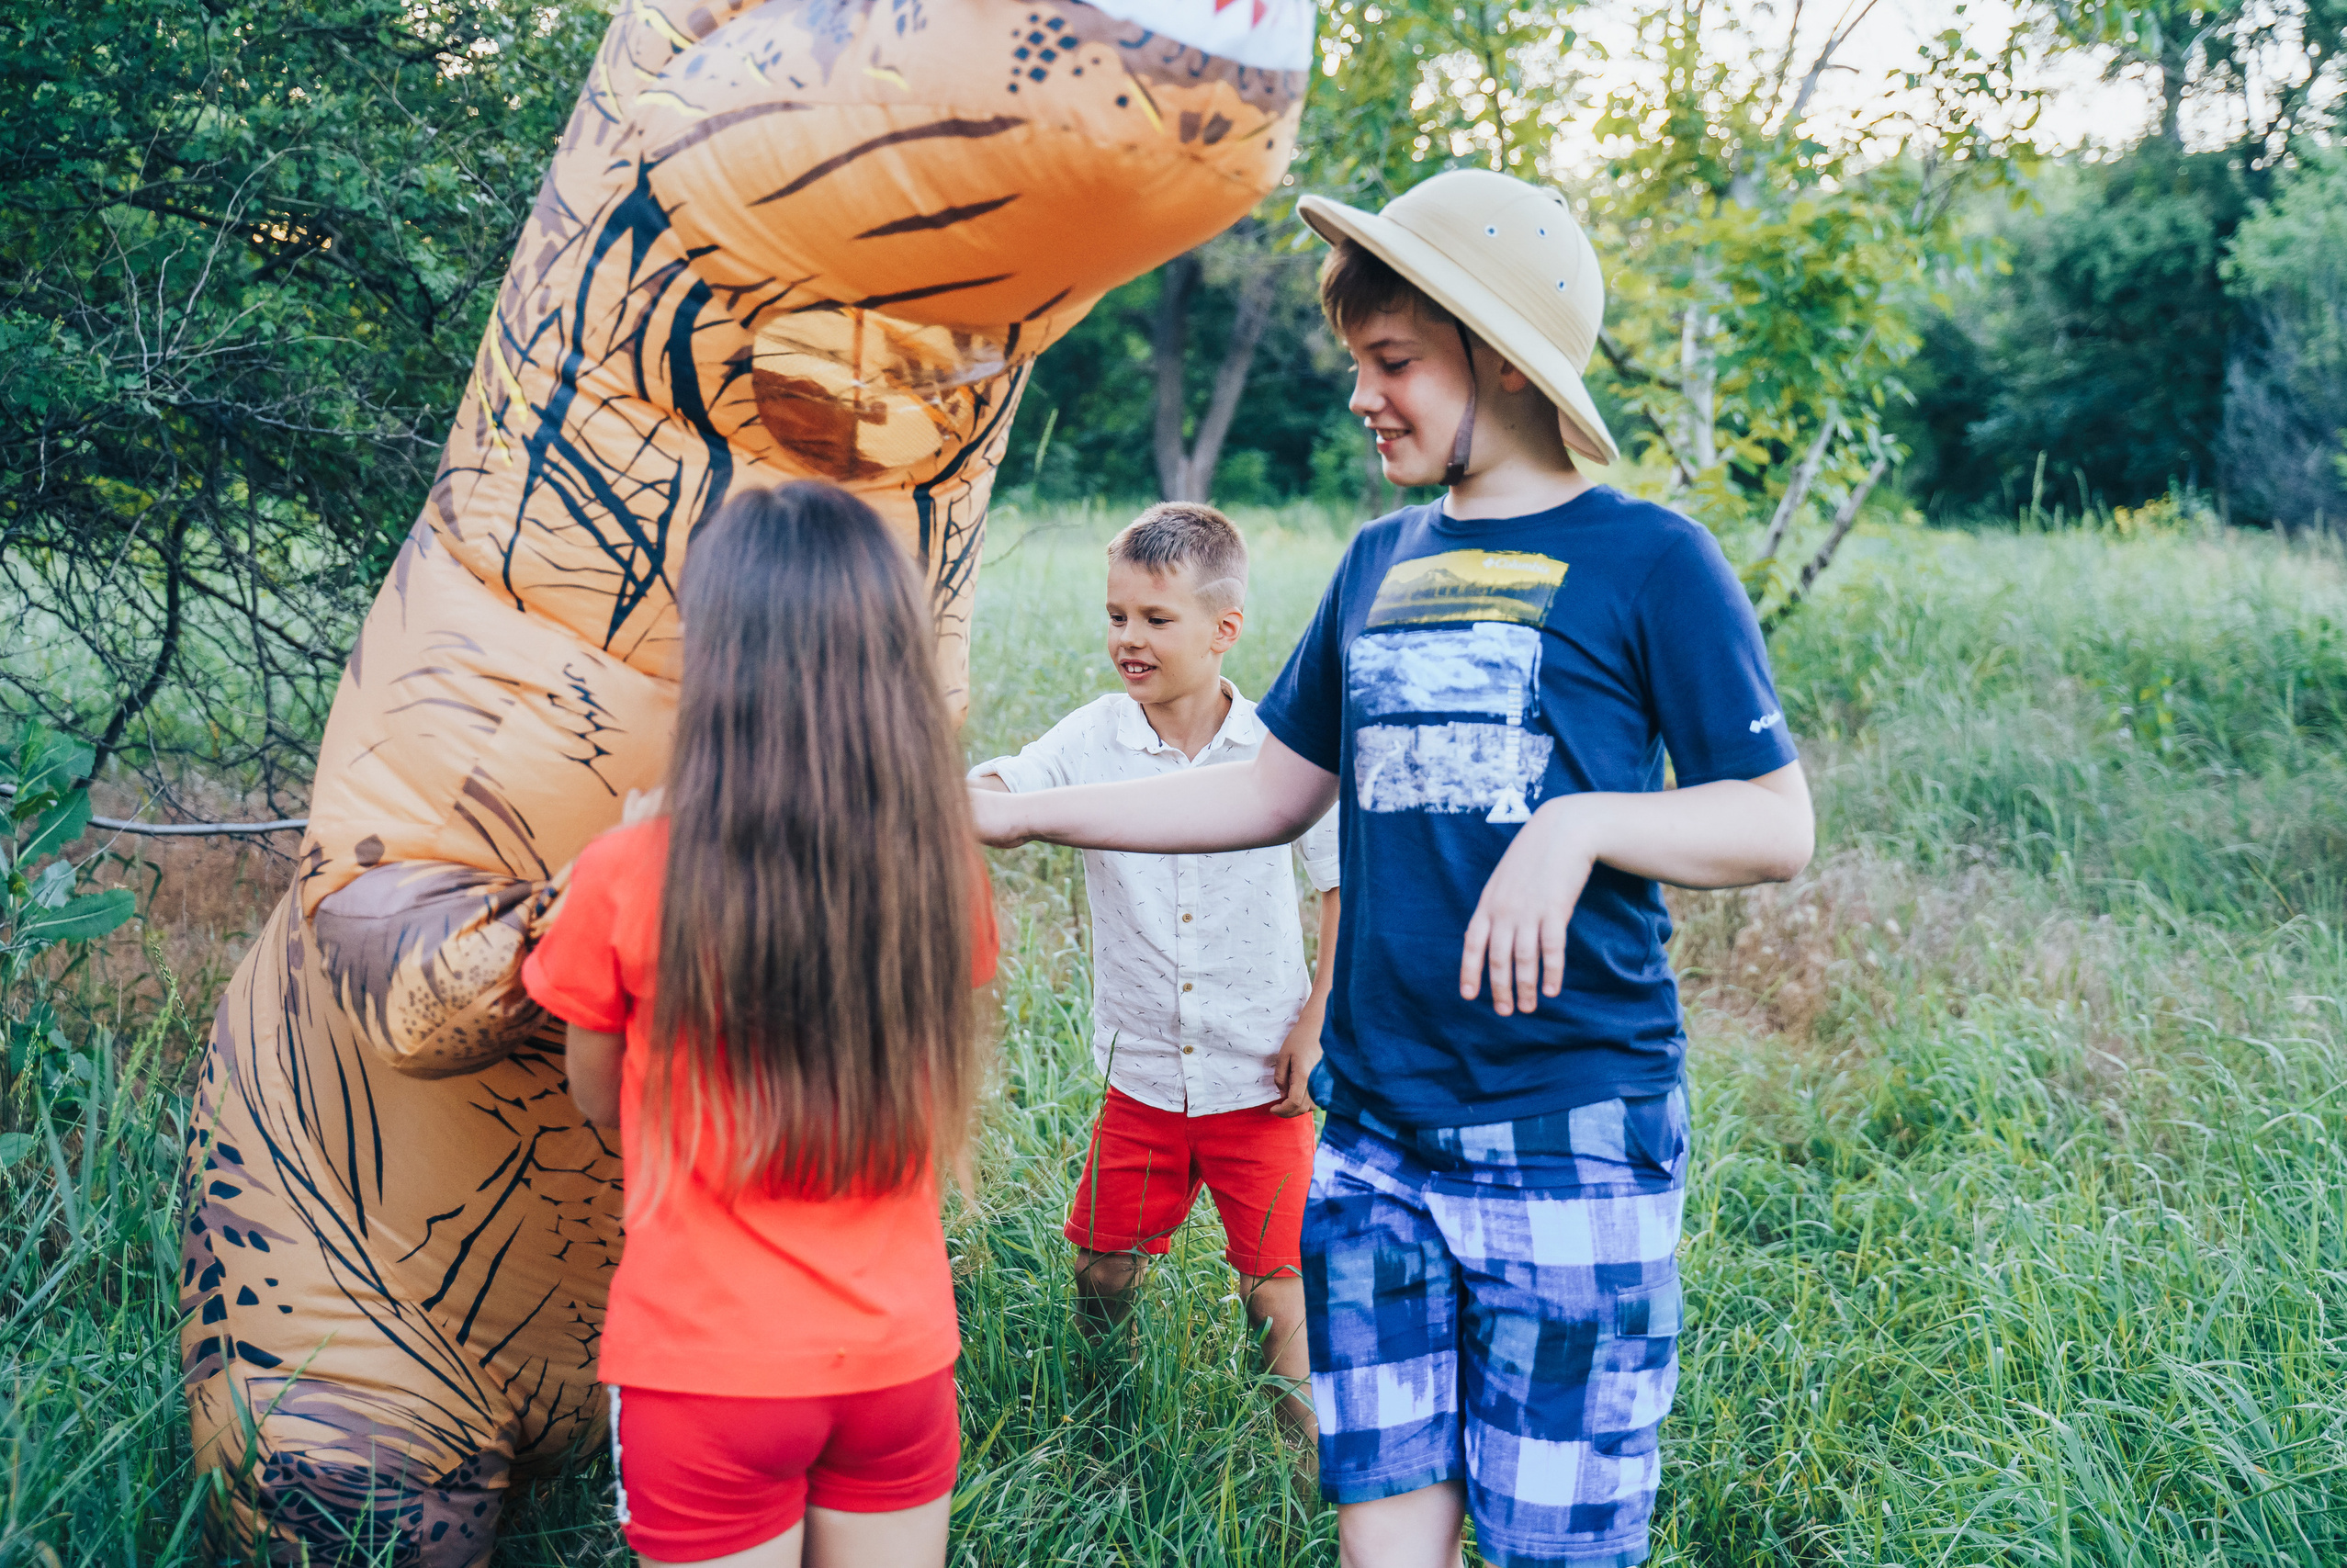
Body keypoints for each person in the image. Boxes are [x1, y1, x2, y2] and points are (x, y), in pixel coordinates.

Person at [969, 168, 1815, 1568]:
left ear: (1502, 358)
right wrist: (1027, 816)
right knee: (1382, 1539)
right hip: (1370, 1143)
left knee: (1556, 1540)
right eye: (1360, 361)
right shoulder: (1377, 561)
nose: (1364, 394)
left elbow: (1777, 821)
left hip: (1570, 1129)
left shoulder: (1650, 558)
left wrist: (1581, 822)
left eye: (1394, 362)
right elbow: (1266, 789)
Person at [525, 481, 998, 1568]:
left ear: (721, 655)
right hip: (898, 1366)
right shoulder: (941, 878)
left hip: (706, 1375)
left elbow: (599, 1104)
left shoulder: (627, 876)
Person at [970, 502, 1340, 1438]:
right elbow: (1013, 785)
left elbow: (1344, 888)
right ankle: (1105, 1412)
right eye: (1116, 616)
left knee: (1276, 1289)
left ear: (1224, 630)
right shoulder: (1094, 737)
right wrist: (968, 789)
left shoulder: (1277, 750)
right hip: (1140, 1072)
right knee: (1103, 1266)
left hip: (1260, 1074)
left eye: (1154, 619)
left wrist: (1317, 1023)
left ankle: (1305, 1473)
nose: (1127, 639)